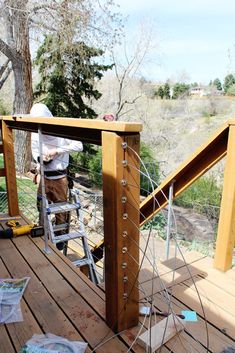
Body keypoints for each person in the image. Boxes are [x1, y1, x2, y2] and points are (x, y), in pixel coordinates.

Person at [30, 103, 83, 250]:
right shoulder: (35, 133)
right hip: (44, 176)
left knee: (61, 210)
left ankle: (59, 239)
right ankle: (42, 235)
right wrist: (40, 159)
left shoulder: (61, 130)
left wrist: (57, 151)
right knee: (41, 207)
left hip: (60, 178)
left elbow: (79, 145)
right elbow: (34, 151)